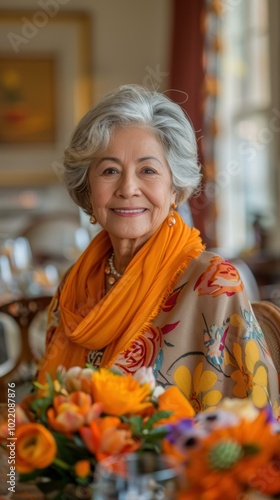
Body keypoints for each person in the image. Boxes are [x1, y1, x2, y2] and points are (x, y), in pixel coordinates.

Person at [37, 84, 279, 413]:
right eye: (110, 171)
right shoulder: (74, 286)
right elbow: (48, 404)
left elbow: (254, 429)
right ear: (88, 189)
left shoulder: (214, 284)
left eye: (148, 170)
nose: (128, 188)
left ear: (175, 190)